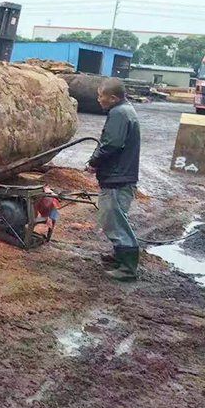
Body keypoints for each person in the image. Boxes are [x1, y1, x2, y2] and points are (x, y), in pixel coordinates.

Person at [85, 78, 141, 281]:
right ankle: (119, 256)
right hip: (122, 174)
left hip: (117, 177)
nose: (98, 100)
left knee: (113, 221)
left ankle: (128, 268)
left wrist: (93, 162)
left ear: (113, 98)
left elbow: (111, 144)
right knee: (116, 218)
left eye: (101, 96)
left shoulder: (118, 113)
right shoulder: (126, 109)